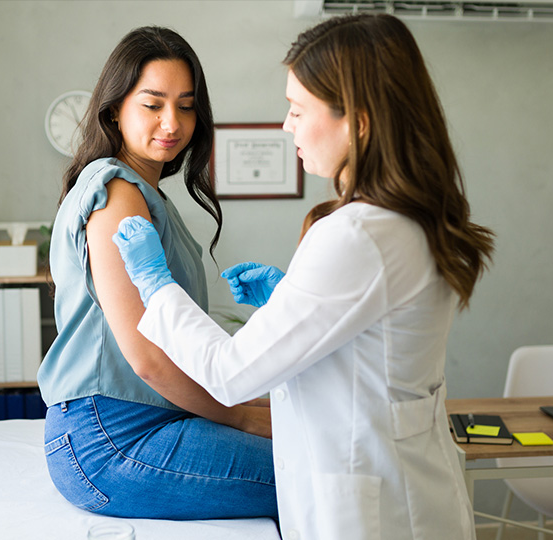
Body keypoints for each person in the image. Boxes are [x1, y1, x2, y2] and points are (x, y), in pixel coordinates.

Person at [113, 14, 495, 540]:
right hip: (410, 493)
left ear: (357, 121)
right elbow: (366, 341)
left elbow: (229, 374)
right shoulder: (409, 219)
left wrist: (156, 285)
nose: (287, 125)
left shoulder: (355, 234)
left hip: (373, 512)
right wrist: (286, 302)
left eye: (297, 109)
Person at [37, 26, 277, 520]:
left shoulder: (144, 192)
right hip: (111, 439)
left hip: (147, 420)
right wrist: (242, 418)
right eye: (153, 104)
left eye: (186, 106)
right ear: (115, 110)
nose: (172, 122)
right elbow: (146, 358)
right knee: (315, 471)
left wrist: (254, 403)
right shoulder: (119, 196)